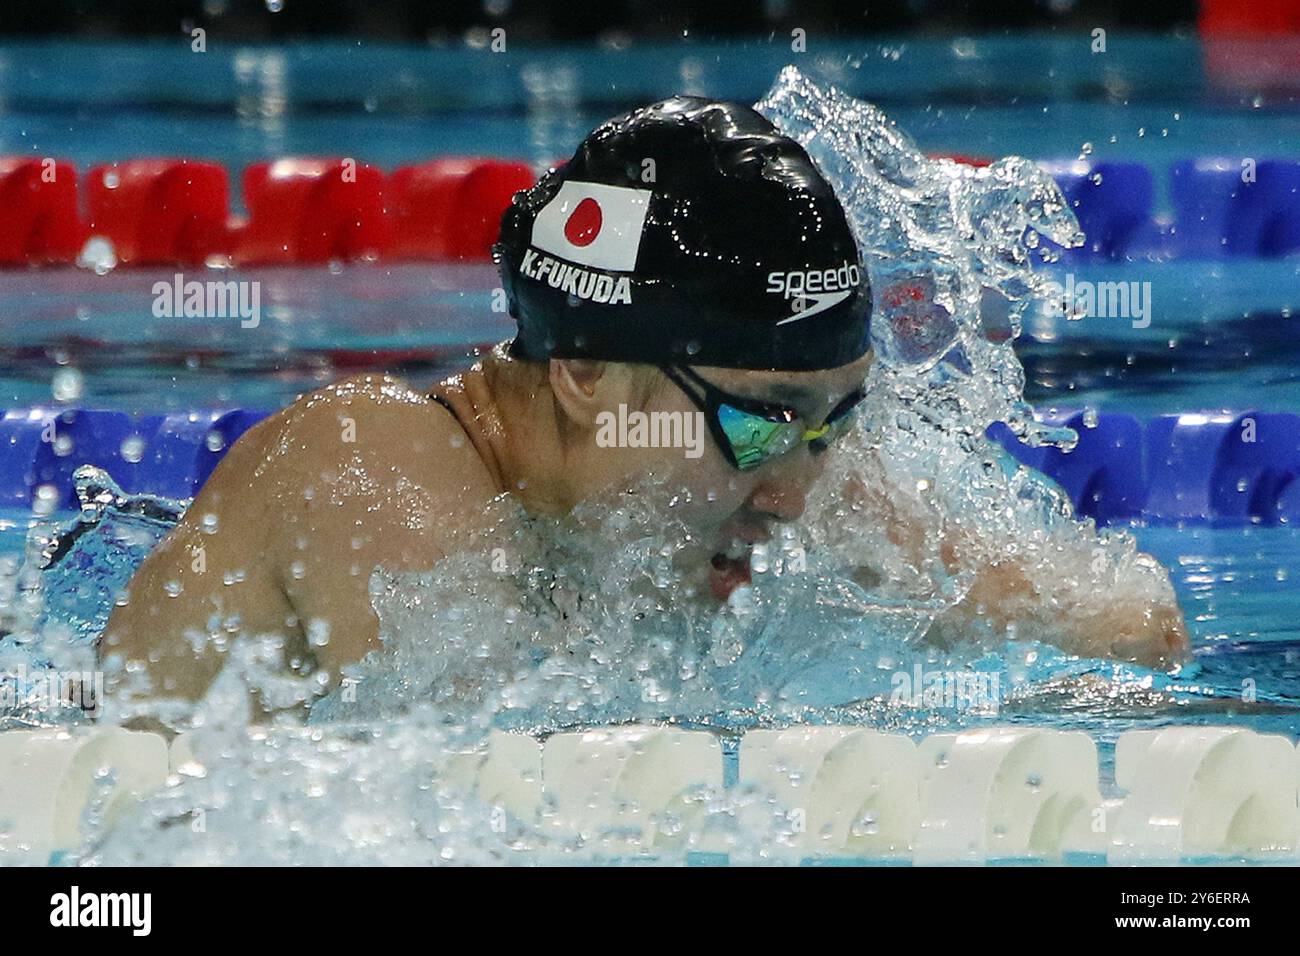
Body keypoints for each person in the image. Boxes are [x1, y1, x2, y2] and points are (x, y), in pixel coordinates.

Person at [102, 96, 1187, 704]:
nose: (801, 490)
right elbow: (514, 798)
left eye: (835, 421)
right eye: (762, 418)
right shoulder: (373, 465)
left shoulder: (761, 474)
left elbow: (1135, 625)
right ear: (582, 372)